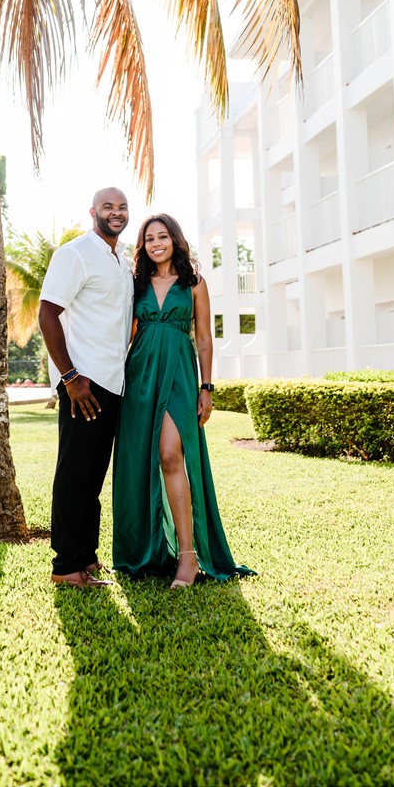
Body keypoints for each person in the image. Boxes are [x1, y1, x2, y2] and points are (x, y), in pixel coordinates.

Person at [112, 213, 253, 587]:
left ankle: (188, 558)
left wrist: (207, 388)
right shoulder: (135, 283)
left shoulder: (194, 282)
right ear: (143, 246)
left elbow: (204, 339)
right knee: (142, 459)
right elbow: (124, 334)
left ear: (175, 239)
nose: (156, 243)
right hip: (140, 374)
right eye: (149, 238)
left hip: (178, 373)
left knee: (172, 454)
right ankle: (148, 551)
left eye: (162, 236)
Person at [38, 187, 134, 589]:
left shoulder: (121, 260)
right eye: (108, 206)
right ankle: (66, 567)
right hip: (84, 382)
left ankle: (87, 558)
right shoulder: (74, 253)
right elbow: (47, 313)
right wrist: (70, 377)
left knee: (94, 475)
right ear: (92, 212)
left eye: (122, 207)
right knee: (75, 472)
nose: (116, 212)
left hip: (114, 382)